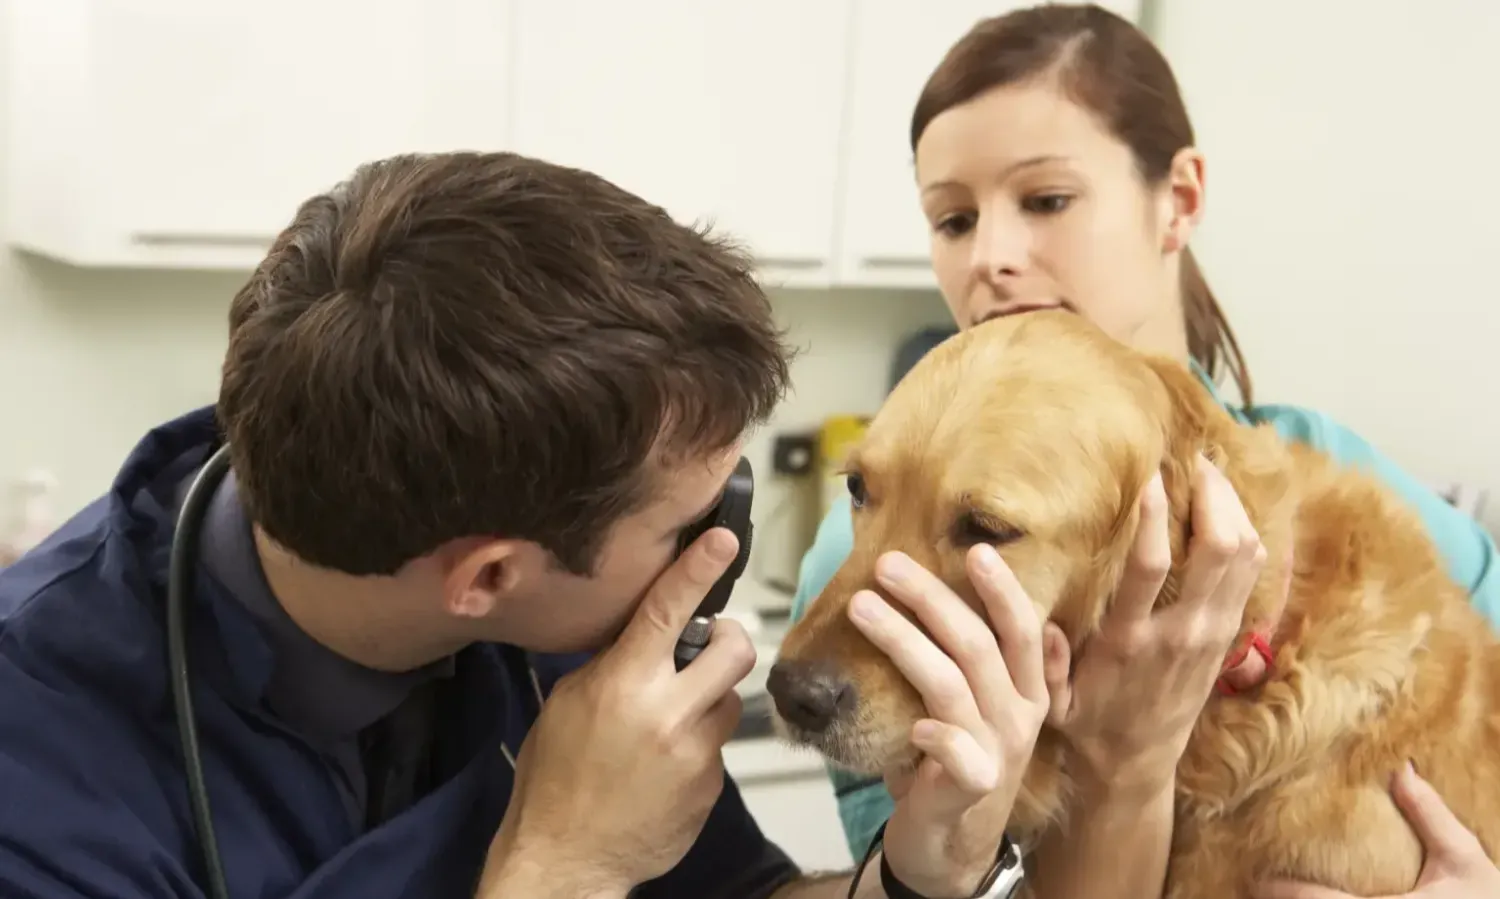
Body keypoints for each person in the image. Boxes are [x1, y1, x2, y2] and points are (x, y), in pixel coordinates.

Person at [0, 150, 1052, 899]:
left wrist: (918, 873)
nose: (711, 559)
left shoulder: (541, 614)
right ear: (490, 576)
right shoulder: (40, 787)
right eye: (694, 525)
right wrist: (565, 866)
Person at [786, 4, 1500, 898]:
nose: (993, 257)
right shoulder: (846, 566)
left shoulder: (1339, 470)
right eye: (954, 219)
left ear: (1181, 200)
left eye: (1047, 200)